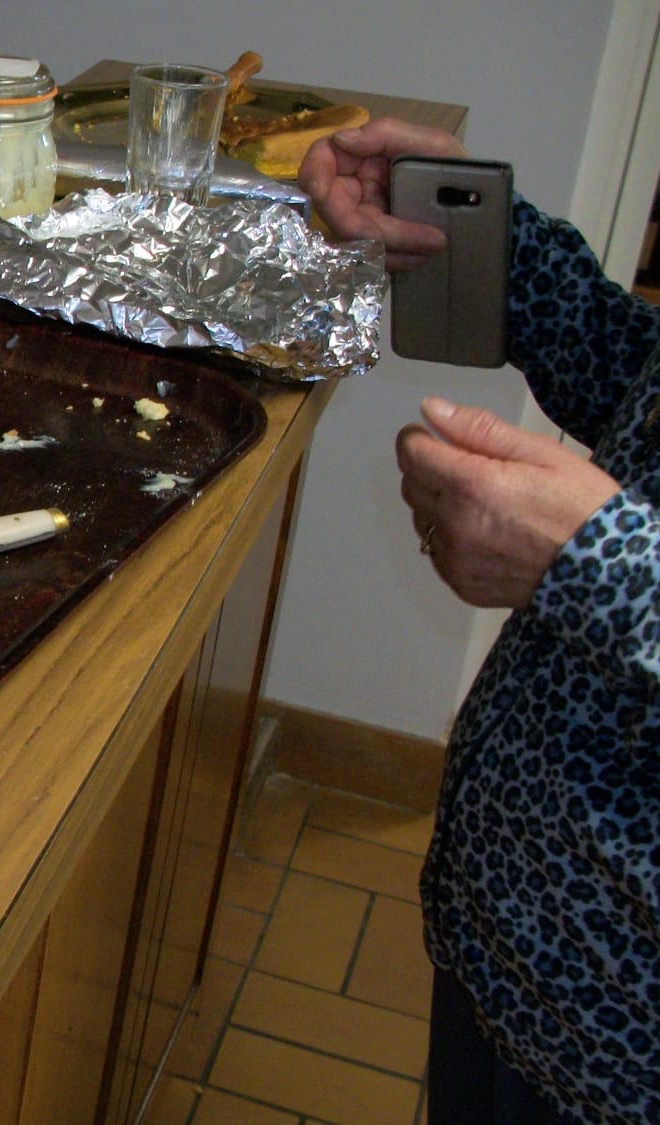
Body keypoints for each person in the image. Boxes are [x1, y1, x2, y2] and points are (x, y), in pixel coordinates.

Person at [300, 119, 658, 1122]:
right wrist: (480, 246)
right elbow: (640, 382)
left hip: (619, 1052)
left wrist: (604, 564)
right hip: (513, 954)